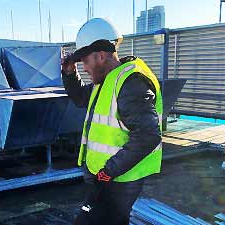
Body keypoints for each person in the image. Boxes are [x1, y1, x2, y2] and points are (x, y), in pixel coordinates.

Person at [61, 18, 163, 225]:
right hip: (105, 176)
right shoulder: (106, 79)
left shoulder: (130, 82)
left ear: (100, 56)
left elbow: (148, 136)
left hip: (118, 179)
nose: (85, 68)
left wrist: (109, 172)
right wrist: (70, 74)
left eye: (85, 62)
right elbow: (81, 97)